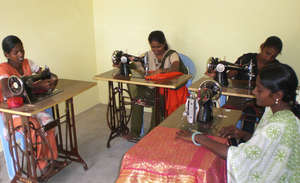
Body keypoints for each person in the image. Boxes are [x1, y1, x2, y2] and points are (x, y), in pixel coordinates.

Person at [177, 63, 300, 182]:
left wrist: (198, 137)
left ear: (277, 95)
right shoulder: (282, 113)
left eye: (260, 90)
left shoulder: (278, 126)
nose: (254, 92)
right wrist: (243, 134)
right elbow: (269, 147)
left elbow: (238, 157)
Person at [0, 35, 61, 172]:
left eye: (22, 50)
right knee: (34, 127)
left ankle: (51, 158)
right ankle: (41, 164)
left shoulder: (28, 63)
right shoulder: (3, 69)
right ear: (7, 54)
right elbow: (7, 93)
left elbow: (45, 74)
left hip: (29, 108)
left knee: (49, 123)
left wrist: (51, 80)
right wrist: (36, 87)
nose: (21, 54)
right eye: (16, 52)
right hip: (13, 112)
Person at [127, 30, 184, 140]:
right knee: (136, 101)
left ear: (164, 44)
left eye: (158, 47)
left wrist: (161, 71)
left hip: (167, 91)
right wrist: (124, 63)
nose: (156, 50)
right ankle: (135, 132)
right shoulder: (147, 55)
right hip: (151, 88)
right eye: (153, 47)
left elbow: (175, 68)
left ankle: (151, 135)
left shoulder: (172, 54)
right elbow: (135, 64)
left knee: (158, 101)